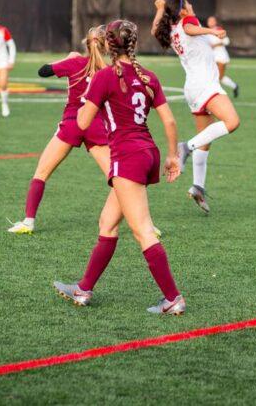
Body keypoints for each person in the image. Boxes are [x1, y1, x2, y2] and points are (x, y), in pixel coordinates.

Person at [53, 20, 185, 315]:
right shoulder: (148, 76)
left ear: (108, 45)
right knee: (108, 222)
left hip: (127, 156)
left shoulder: (103, 77)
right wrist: (173, 156)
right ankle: (83, 290)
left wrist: (90, 98)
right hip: (148, 152)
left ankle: (173, 298)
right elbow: (171, 121)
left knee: (143, 231)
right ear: (133, 44)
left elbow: (84, 123)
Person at [8, 26, 111, 234]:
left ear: (86, 42)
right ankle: (146, 224)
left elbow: (43, 71)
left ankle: (28, 222)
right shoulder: (109, 70)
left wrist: (65, 58)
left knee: (42, 173)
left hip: (72, 123)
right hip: (96, 125)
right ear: (106, 46)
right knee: (120, 179)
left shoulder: (74, 62)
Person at [152, 0, 241, 214]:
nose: (191, 4)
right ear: (182, 11)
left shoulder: (170, 29)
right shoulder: (186, 21)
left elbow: (155, 30)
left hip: (192, 88)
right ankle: (185, 147)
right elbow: (190, 28)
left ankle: (197, 186)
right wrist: (211, 32)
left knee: (206, 139)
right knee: (232, 122)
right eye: (187, 3)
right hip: (205, 85)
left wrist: (160, 8)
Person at [207, 15, 240, 97]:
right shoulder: (206, 31)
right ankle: (233, 86)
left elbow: (226, 41)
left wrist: (216, 44)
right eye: (209, 21)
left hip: (221, 57)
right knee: (213, 76)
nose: (210, 22)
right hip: (212, 57)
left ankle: (220, 94)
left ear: (215, 22)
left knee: (219, 77)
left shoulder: (219, 30)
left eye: (212, 20)